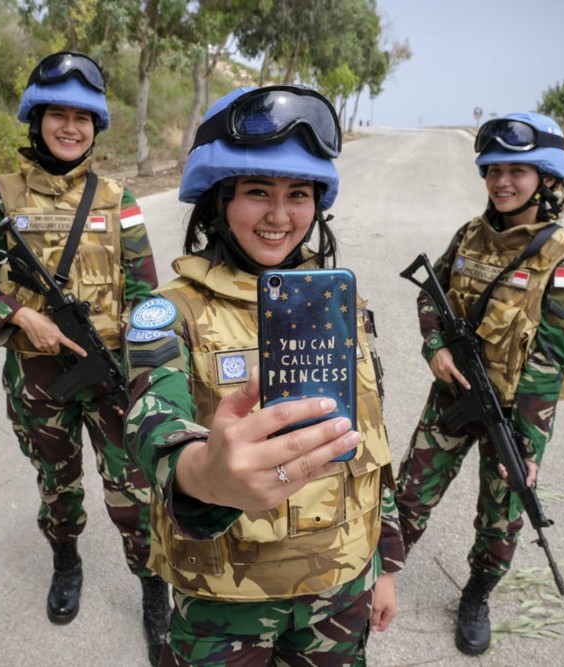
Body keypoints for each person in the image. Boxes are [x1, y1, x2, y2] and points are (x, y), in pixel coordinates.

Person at [121, 84, 404, 666]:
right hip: (226, 601)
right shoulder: (165, 313)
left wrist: (384, 563)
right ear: (219, 201)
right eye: (257, 192)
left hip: (341, 590)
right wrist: (205, 474)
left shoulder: (340, 305)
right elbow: (153, 421)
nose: (280, 216)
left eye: (299, 194)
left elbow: (371, 440)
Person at [0, 51, 170, 663]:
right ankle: (66, 561)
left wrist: (145, 360)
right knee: (57, 483)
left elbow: (149, 293)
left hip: (108, 377)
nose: (70, 127)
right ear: (37, 118)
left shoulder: (118, 198)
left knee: (132, 492)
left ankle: (153, 589)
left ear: (96, 125)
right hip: (39, 379)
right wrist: (21, 316)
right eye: (58, 114)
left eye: (83, 117)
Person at [394, 112, 564, 655]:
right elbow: (429, 293)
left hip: (513, 411)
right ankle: (374, 580)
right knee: (408, 496)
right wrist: (434, 348)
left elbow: (550, 357)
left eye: (517, 171)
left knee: (501, 518)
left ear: (546, 179)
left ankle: (477, 594)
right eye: (493, 170)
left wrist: (528, 445)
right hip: (454, 397)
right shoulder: (469, 235)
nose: (502, 182)